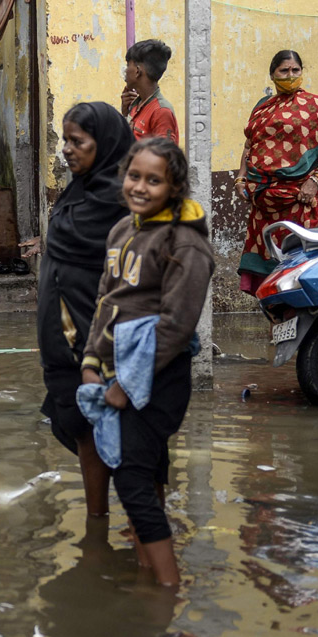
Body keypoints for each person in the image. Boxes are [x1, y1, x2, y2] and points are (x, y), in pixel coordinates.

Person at [80, 137, 214, 586]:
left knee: (132, 481)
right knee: (150, 468)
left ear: (174, 187)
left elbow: (176, 326)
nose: (140, 186)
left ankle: (167, 592)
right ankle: (146, 568)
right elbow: (106, 300)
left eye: (153, 180)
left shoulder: (186, 243)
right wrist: (92, 360)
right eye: (134, 176)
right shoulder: (123, 230)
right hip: (117, 370)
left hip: (159, 377)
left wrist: (124, 386)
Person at [36, 102, 134, 518]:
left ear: (106, 143)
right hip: (63, 340)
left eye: (78, 141)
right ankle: (99, 531)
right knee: (83, 430)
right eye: (65, 140)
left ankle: (126, 534)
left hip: (95, 343)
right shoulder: (80, 188)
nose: (67, 150)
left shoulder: (122, 200)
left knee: (114, 438)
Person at [234, 50, 318, 295]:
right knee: (267, 275)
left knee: (300, 266)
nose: (291, 76)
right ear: (272, 75)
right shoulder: (262, 108)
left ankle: (303, 323)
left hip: (301, 201)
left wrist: (316, 180)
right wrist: (241, 176)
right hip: (264, 204)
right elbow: (250, 145)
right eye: (284, 71)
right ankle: (277, 326)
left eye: (296, 70)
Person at [120, 39, 178, 143]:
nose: (126, 70)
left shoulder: (161, 112)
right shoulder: (135, 105)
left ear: (137, 71)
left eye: (128, 65)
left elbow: (164, 157)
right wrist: (125, 113)